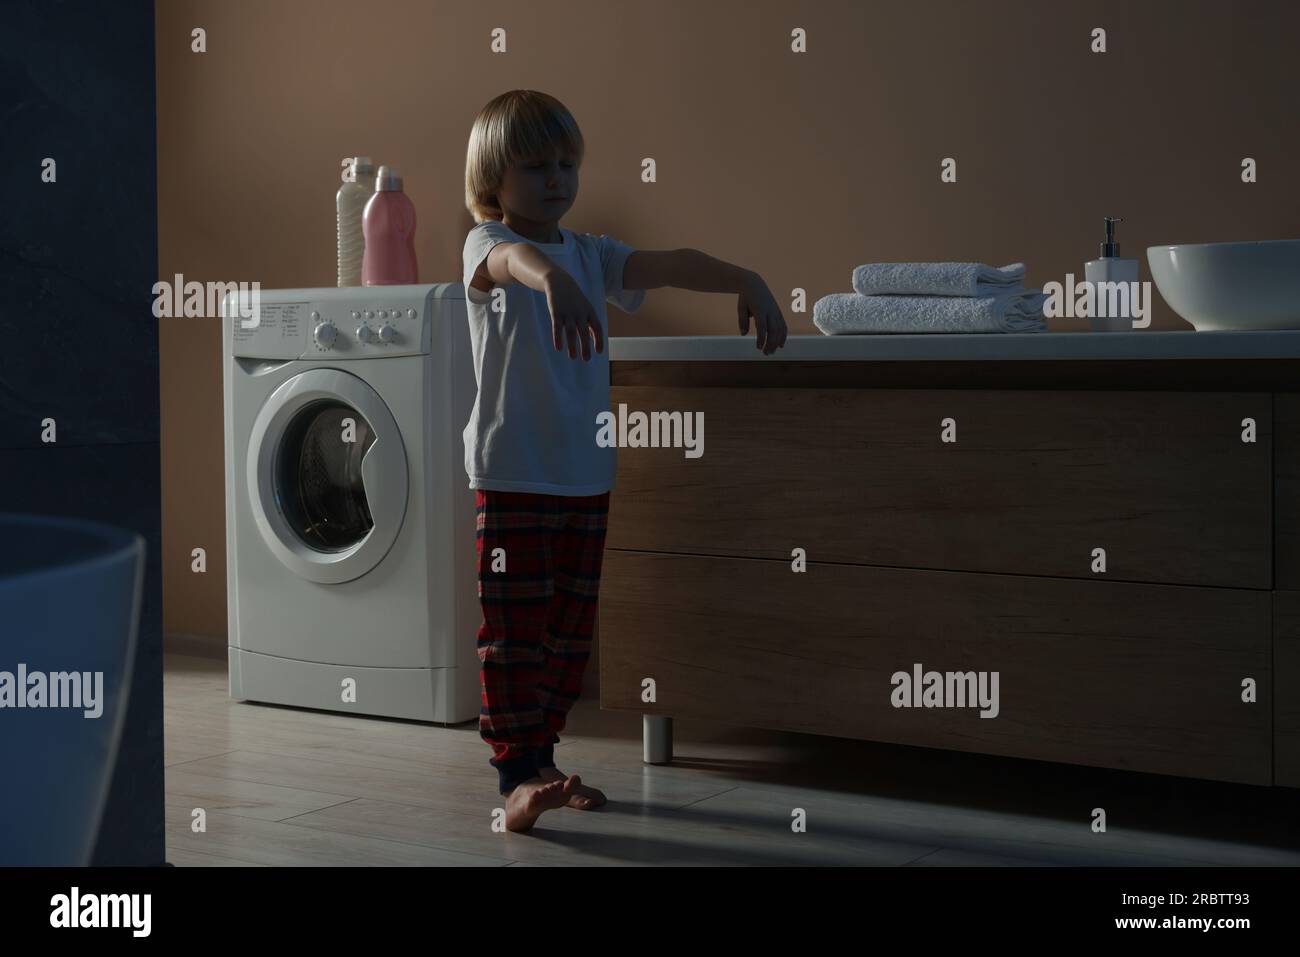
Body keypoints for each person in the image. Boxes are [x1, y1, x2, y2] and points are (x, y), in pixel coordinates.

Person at [462, 89, 787, 832]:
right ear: (494, 178)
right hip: (514, 475)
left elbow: (671, 263)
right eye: (537, 165)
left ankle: (543, 762)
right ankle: (514, 779)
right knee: (512, 628)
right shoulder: (487, 244)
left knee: (568, 630)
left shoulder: (591, 253)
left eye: (567, 163)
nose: (557, 178)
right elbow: (511, 261)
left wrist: (746, 278)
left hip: (585, 476)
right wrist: (550, 278)